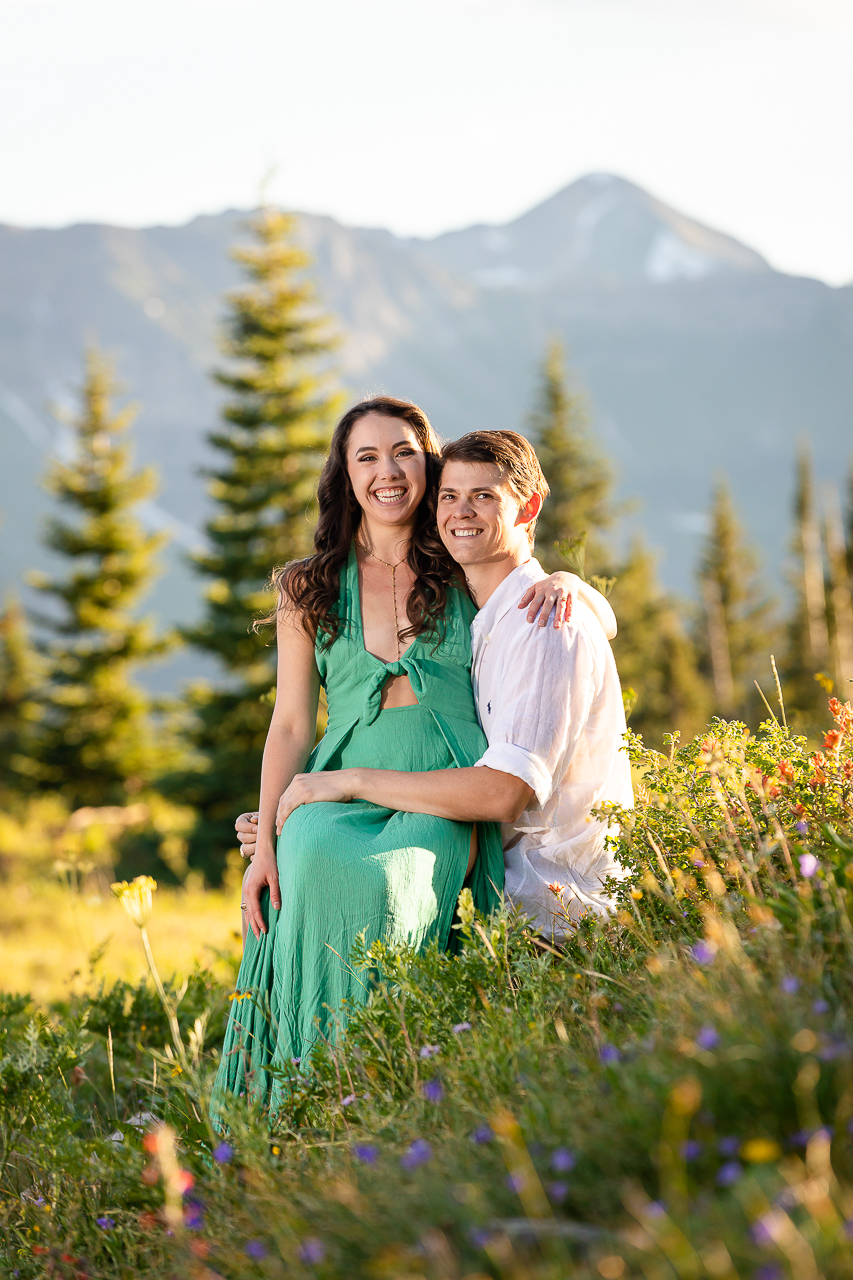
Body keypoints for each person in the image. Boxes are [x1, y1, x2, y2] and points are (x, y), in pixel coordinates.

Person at [214, 398, 612, 1108]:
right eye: (365, 456)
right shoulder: (304, 586)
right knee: (306, 872)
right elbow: (289, 724)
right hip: (334, 784)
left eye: (401, 452)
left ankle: (380, 1086)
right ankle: (294, 1096)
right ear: (344, 474)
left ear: (425, 466)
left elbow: (526, 581)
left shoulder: (460, 561)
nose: (386, 471)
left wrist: (571, 584)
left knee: (395, 890)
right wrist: (268, 836)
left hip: (442, 784)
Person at [270, 430, 633, 939]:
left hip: (549, 910)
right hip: (489, 885)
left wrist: (346, 782)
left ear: (527, 509)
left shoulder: (545, 623)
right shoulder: (485, 616)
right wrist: (276, 820)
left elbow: (504, 793)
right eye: (450, 496)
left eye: (484, 496)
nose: (462, 511)